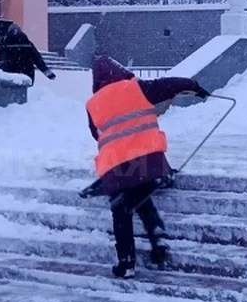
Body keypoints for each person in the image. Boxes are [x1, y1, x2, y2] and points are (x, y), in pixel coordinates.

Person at [86, 55, 210, 278]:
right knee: (141, 193)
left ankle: (126, 263)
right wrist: (195, 87)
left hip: (117, 169)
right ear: (119, 71)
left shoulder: (93, 104)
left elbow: (96, 135)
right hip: (150, 164)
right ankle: (157, 234)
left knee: (121, 210)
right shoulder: (137, 88)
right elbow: (171, 84)